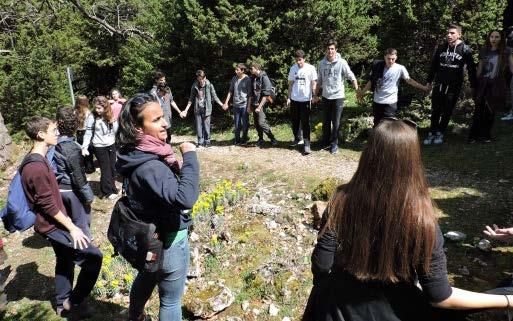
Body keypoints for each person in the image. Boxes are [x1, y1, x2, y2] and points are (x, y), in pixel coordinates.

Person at [304, 119, 513, 321]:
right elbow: (439, 296)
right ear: (413, 161)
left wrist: (327, 297)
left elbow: (322, 263)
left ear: (368, 155)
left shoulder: (340, 199)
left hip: (336, 305)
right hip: (395, 308)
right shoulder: (422, 218)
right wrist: (506, 299)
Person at [116, 93, 199, 321]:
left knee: (146, 275)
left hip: (147, 238)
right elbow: (186, 197)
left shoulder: (132, 153)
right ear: (137, 128)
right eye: (156, 120)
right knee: (171, 300)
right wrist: (190, 157)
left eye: (163, 117)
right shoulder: (151, 166)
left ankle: (135, 316)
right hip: (168, 239)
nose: (165, 124)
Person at [21, 116, 102, 318]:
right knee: (94, 258)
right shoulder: (36, 167)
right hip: (53, 227)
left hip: (54, 223)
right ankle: (72, 302)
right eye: (53, 130)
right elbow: (46, 204)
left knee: (65, 260)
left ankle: (61, 304)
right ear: (40, 134)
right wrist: (73, 228)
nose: (57, 133)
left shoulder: (39, 159)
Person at [423, 24, 477, 145]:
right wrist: (429, 81)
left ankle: (440, 132)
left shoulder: (465, 49)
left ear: (459, 34)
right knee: (436, 109)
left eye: (452, 33)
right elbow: (434, 66)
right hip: (439, 84)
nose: (449, 35)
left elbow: (472, 69)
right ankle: (432, 131)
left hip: (454, 86)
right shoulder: (442, 47)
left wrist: (473, 85)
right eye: (448, 33)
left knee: (447, 110)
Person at [358, 48, 428, 126]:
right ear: (384, 57)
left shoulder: (400, 68)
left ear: (396, 57)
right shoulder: (377, 67)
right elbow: (371, 82)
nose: (390, 61)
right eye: (388, 59)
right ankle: (377, 138)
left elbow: (409, 80)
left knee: (389, 126)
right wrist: (362, 92)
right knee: (377, 125)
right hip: (377, 101)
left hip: (390, 103)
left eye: (393, 59)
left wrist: (423, 87)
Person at [54, 107, 95, 238]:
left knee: (68, 218)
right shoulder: (69, 146)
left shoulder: (52, 142)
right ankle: (86, 245)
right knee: (82, 219)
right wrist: (88, 195)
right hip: (70, 189)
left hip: (57, 188)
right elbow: (77, 175)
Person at [314, 39, 358, 155]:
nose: (330, 51)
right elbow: (319, 81)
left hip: (338, 96)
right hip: (326, 96)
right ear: (326, 50)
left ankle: (334, 144)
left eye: (332, 48)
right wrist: (315, 94)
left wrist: (357, 90)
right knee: (326, 120)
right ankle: (325, 141)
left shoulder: (342, 62)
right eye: (328, 48)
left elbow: (350, 76)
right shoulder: (321, 63)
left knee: (336, 121)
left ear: (336, 50)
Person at [469, 30, 513, 143]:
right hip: (483, 84)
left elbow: (512, 68)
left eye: (497, 37)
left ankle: (485, 135)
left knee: (490, 110)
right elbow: (479, 69)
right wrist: (474, 84)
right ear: (489, 38)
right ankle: (473, 136)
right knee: (478, 110)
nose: (494, 39)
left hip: (497, 85)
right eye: (492, 36)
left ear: (501, 38)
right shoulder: (484, 50)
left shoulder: (507, 51)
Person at [81, 96, 119, 200]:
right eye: (96, 108)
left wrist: (113, 122)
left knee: (112, 167)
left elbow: (115, 131)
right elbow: (88, 133)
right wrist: (84, 147)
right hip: (99, 146)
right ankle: (108, 192)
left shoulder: (110, 114)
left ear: (105, 107)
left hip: (111, 144)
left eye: (99, 108)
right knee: (105, 168)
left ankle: (110, 187)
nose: (97, 110)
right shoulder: (92, 117)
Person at [181, 70, 224, 148]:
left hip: (207, 108)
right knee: (198, 126)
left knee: (207, 126)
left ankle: (207, 142)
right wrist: (186, 110)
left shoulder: (209, 85)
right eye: (199, 79)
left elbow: (215, 96)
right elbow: (191, 99)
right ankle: (200, 142)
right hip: (198, 109)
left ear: (205, 77)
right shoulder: (195, 86)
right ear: (197, 78)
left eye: (202, 78)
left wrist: (222, 104)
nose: (201, 80)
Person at [287, 49, 317, 155]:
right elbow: (290, 84)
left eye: (300, 60)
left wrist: (314, 95)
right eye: (297, 60)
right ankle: (297, 138)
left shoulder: (311, 68)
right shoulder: (293, 69)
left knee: (305, 123)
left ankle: (307, 144)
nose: (298, 62)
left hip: (305, 100)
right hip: (294, 99)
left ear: (304, 59)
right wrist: (288, 97)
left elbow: (313, 83)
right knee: (295, 121)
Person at [248, 62, 278, 148]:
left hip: (261, 104)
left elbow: (266, 95)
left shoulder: (264, 78)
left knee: (261, 122)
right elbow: (251, 93)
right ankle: (260, 139)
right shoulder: (253, 78)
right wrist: (249, 106)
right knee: (257, 123)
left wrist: (259, 106)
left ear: (257, 68)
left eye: (251, 68)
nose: (250, 70)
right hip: (254, 103)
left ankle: (272, 138)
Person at [223, 63, 252, 145]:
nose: (236, 71)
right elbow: (230, 91)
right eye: (235, 70)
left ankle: (244, 139)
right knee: (236, 124)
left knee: (245, 124)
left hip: (244, 105)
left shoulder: (247, 79)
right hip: (236, 105)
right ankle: (237, 139)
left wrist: (249, 107)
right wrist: (226, 102)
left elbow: (250, 95)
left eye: (237, 70)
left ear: (242, 70)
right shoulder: (234, 78)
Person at [150, 71, 182, 143]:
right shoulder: (153, 92)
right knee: (161, 138)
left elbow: (171, 101)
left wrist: (179, 111)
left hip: (168, 117)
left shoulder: (167, 89)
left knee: (168, 137)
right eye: (161, 80)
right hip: (159, 119)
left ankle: (168, 149)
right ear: (156, 80)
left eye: (164, 79)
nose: (163, 81)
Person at [74, 95, 95, 173]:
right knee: (88, 151)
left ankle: (85, 167)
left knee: (81, 151)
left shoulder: (75, 112)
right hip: (87, 133)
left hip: (78, 133)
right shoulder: (89, 113)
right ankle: (90, 168)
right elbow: (91, 125)